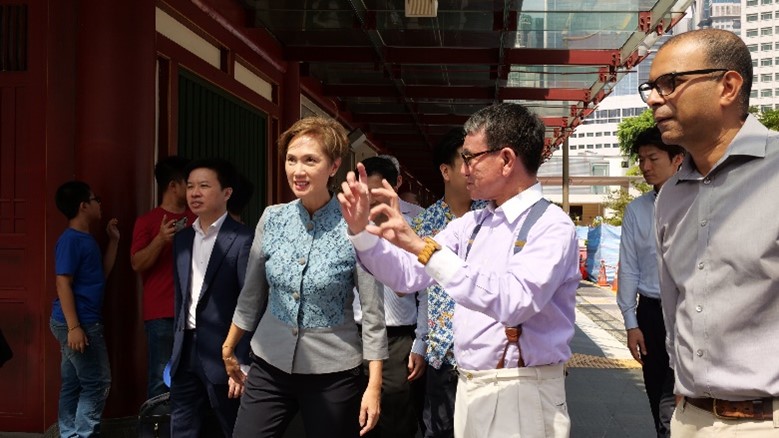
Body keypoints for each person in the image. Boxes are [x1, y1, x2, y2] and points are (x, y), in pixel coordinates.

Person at [339, 102, 581, 438]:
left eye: (470, 157)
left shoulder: (551, 225)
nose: (463, 168)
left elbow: (514, 301)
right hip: (472, 382)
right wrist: (361, 232)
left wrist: (420, 246)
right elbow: (407, 275)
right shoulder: (476, 222)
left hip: (522, 387)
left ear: (507, 160)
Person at [642, 28, 779, 436]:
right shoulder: (669, 197)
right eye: (651, 87)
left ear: (728, 86)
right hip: (689, 418)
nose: (653, 98)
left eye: (670, 83)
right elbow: (673, 304)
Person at [222, 116, 388, 438]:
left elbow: (372, 313)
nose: (298, 170)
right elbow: (252, 295)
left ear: (333, 166)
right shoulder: (272, 218)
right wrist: (229, 348)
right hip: (269, 363)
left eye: (310, 160)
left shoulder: (356, 225)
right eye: (291, 160)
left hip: (334, 371)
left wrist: (374, 385)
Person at [411, 128, 487, 438]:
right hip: (441, 350)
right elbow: (420, 291)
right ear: (446, 171)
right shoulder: (425, 223)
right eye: (466, 160)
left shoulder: (492, 217)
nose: (473, 168)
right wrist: (420, 342)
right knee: (439, 429)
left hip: (485, 351)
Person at [169, 158, 253, 438]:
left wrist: (242, 359)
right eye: (190, 186)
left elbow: (250, 301)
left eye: (204, 186)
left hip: (225, 352)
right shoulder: (181, 239)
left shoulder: (243, 239)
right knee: (182, 428)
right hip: (186, 350)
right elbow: (182, 298)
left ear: (226, 193)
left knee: (232, 428)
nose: (194, 193)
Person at [616, 127, 683, 438]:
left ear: (678, 159)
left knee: (677, 400)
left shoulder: (696, 203)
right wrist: (631, 324)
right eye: (641, 159)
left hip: (687, 312)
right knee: (657, 395)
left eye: (653, 158)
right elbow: (628, 268)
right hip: (651, 315)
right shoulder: (637, 210)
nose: (644, 166)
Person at [353, 156, 427, 438]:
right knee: (357, 412)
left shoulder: (417, 220)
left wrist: (420, 341)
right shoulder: (347, 220)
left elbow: (425, 290)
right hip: (355, 333)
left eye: (375, 191)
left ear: (394, 185)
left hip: (398, 338)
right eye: (364, 192)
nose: (369, 199)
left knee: (396, 411)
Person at [49, 181, 119, 437]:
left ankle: (69, 434)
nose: (99, 203)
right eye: (96, 199)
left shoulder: (85, 239)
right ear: (83, 206)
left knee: (73, 383)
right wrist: (74, 327)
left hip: (78, 320)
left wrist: (113, 242)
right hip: (80, 322)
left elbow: (100, 276)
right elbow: (62, 283)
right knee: (97, 382)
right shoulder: (71, 240)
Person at [131, 155, 195, 399]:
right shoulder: (147, 222)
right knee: (159, 380)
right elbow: (137, 263)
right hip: (160, 313)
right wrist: (160, 240)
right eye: (187, 184)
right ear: (173, 186)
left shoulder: (197, 219)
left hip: (193, 312)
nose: (192, 190)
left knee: (191, 378)